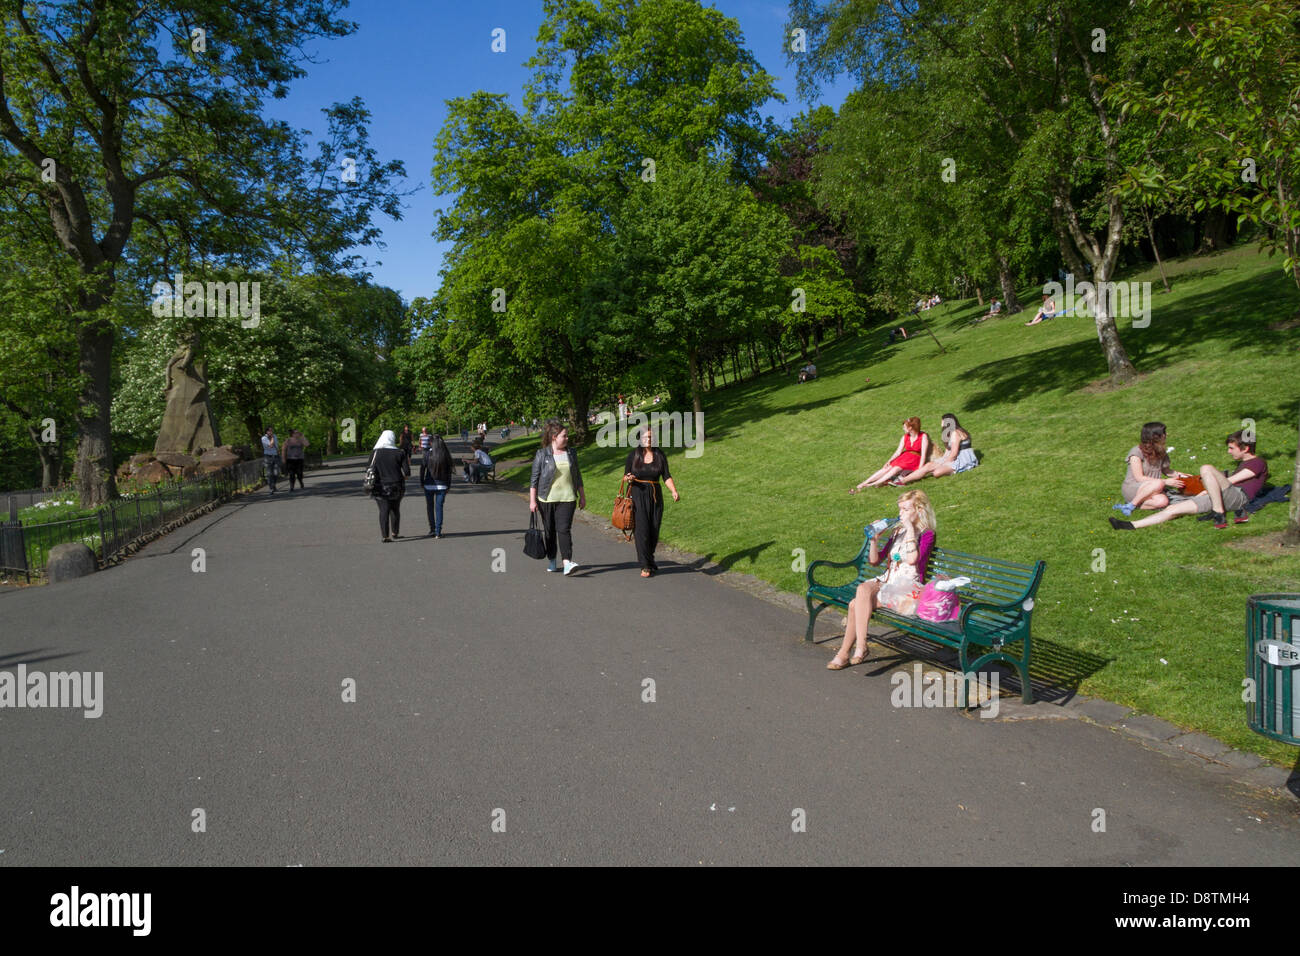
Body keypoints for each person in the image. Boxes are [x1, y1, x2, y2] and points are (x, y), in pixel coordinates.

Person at [828, 489, 938, 668]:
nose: (900, 514)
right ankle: (861, 646)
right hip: (888, 581)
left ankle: (843, 653)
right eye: (900, 509)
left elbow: (912, 560)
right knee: (863, 588)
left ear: (919, 510)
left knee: (855, 605)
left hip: (908, 589)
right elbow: (875, 561)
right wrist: (874, 540)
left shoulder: (927, 535)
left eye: (906, 509)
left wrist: (910, 529)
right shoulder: (897, 533)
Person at [1111, 430, 1269, 531]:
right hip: (1219, 498)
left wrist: (1206, 488)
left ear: (1245, 448)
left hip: (1238, 497)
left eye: (1231, 448)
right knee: (1174, 509)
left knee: (1206, 468)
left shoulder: (1257, 463)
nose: (1228, 452)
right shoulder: (1243, 464)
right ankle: (1131, 525)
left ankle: (1218, 512)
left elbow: (1233, 480)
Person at [622, 427, 681, 577]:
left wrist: (673, 490)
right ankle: (645, 566)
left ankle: (649, 559)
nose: (649, 439)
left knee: (654, 530)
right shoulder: (634, 455)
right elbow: (626, 476)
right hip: (638, 494)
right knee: (642, 531)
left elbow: (666, 475)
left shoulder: (659, 455)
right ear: (640, 439)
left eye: (651, 437)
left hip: (655, 495)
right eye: (646, 437)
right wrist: (629, 478)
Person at [529, 421, 586, 575]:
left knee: (564, 529)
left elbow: (577, 475)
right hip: (546, 499)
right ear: (554, 437)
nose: (567, 438)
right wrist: (533, 501)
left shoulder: (571, 453)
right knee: (550, 531)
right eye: (564, 436)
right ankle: (552, 560)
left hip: (567, 499)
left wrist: (582, 496)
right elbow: (534, 480)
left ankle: (567, 562)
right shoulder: (542, 454)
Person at [1115, 422, 1184, 514]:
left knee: (1163, 502)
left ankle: (1133, 505)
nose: (1166, 435)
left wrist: (1185, 476)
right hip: (1134, 487)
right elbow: (1139, 478)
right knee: (1159, 483)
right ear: (1155, 436)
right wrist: (1166, 481)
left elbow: (1167, 471)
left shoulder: (1161, 452)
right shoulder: (1136, 452)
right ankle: (1132, 504)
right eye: (1163, 432)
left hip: (1154, 487)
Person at [851, 418, 931, 491]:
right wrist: (889, 460)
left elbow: (923, 454)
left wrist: (920, 469)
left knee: (895, 469)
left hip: (915, 459)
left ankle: (873, 484)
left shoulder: (923, 436)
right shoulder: (905, 437)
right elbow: (898, 451)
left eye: (904, 427)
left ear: (910, 428)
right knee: (887, 468)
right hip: (904, 456)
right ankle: (865, 482)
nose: (903, 428)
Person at [895, 413, 977, 484]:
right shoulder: (953, 432)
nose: (941, 422)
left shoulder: (955, 433)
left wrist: (943, 463)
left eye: (942, 420)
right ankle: (903, 481)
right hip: (958, 458)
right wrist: (942, 460)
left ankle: (904, 479)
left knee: (936, 473)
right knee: (929, 465)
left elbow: (954, 453)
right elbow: (948, 450)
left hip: (962, 460)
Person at [368, 430, 407, 542]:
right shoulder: (400, 453)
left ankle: (385, 536)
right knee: (395, 509)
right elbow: (407, 472)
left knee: (383, 510)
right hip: (397, 486)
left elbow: (369, 469)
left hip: (379, 486)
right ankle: (395, 532)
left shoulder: (375, 453)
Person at [420, 433, 453, 537]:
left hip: (429, 484)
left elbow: (422, 470)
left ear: (431, 443)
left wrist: (422, 482)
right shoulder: (445, 455)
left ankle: (432, 529)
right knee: (439, 508)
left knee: (430, 507)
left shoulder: (427, 454)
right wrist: (448, 485)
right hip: (442, 485)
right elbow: (449, 472)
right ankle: (438, 532)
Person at [261, 426, 280, 494]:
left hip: (275, 456)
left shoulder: (275, 436)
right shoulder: (263, 438)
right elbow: (270, 445)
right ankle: (271, 488)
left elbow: (276, 445)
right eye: (270, 431)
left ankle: (273, 485)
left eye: (272, 430)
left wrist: (278, 451)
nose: (271, 432)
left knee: (276, 473)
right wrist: (272, 438)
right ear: (267, 431)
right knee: (269, 474)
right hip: (268, 457)